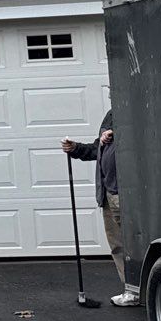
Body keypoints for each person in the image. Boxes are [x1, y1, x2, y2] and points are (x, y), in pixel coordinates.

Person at [62, 111, 136, 307]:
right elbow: (99, 149)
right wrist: (76, 149)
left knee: (133, 243)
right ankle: (131, 290)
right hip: (107, 192)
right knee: (117, 244)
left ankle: (143, 287)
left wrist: (114, 135)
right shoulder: (112, 114)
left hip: (124, 192)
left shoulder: (135, 110)